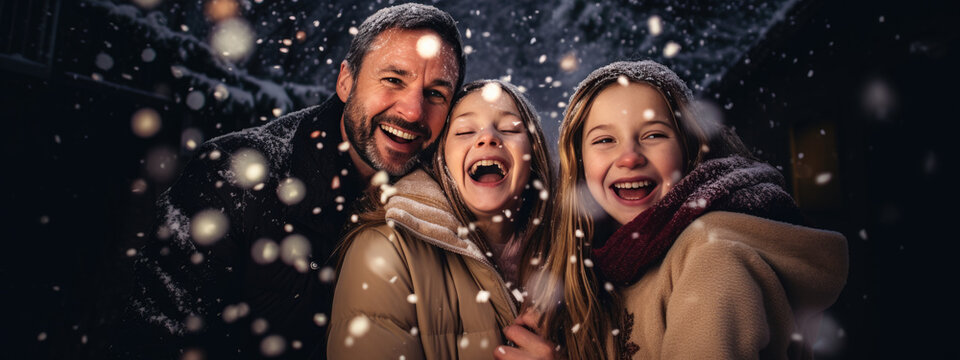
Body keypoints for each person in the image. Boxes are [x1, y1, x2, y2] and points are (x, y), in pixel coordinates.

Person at [128, 4, 465, 359]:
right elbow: (154, 340)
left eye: (435, 94)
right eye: (394, 80)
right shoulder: (232, 176)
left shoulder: (450, 200)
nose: (413, 111)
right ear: (346, 81)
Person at [525, 60, 849, 359]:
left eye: (654, 135)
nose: (629, 157)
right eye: (604, 140)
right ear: (579, 164)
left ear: (689, 150)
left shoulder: (714, 259)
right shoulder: (611, 264)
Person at [327, 79, 555, 359]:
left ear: (534, 155)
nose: (488, 138)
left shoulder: (574, 256)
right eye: (464, 131)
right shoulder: (385, 251)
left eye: (509, 129)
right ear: (441, 159)